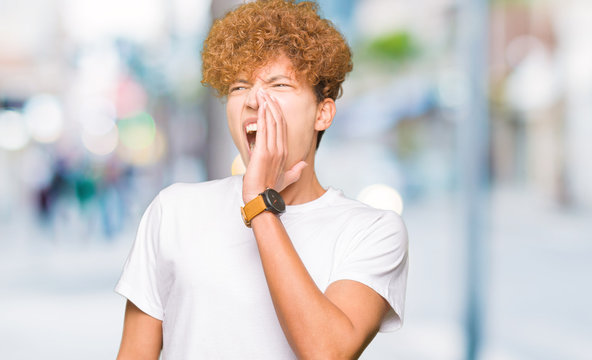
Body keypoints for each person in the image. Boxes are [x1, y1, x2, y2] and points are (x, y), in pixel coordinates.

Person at [115, 0, 409, 359]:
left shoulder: (373, 230)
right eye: (239, 87)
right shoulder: (173, 209)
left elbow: (328, 351)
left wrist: (260, 202)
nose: (255, 99)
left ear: (323, 112)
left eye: (279, 84)